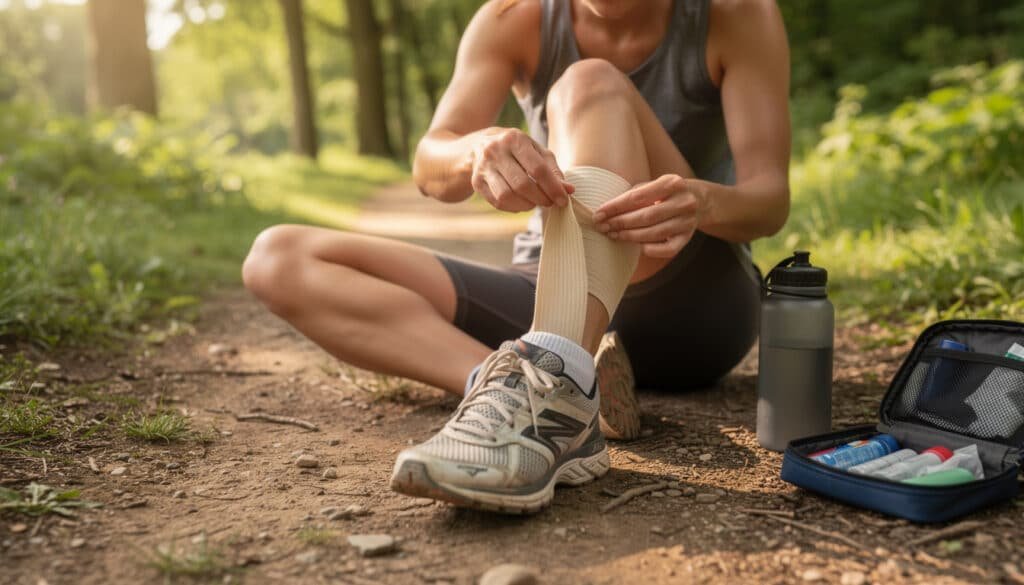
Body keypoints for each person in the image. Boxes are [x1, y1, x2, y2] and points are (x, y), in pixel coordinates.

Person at [242, 0, 791, 513]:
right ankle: (532, 391)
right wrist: (476, 150)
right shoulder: (514, 17)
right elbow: (431, 164)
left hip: (689, 293)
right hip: (551, 287)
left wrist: (701, 200)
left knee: (587, 80)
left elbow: (769, 201)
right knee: (278, 258)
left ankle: (551, 382)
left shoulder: (734, 14)